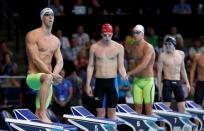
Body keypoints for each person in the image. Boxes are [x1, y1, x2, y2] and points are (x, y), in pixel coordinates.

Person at [25, 7, 63, 123]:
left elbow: (60, 61)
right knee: (48, 78)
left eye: (52, 14)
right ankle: (42, 113)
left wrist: (55, 75)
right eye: (47, 14)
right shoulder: (32, 35)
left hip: (48, 80)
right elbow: (35, 59)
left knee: (40, 115)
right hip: (34, 78)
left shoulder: (56, 40)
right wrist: (52, 75)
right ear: (42, 18)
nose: (50, 16)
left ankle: (40, 116)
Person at [85, 23, 128, 119]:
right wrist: (87, 84)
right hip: (98, 83)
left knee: (111, 112)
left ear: (112, 34)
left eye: (109, 35)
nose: (107, 37)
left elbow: (121, 66)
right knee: (100, 111)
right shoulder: (94, 47)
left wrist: (124, 75)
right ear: (101, 34)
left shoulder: (119, 47)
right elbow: (90, 66)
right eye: (105, 35)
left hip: (112, 83)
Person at [127, 24, 155, 115]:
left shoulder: (148, 47)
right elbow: (128, 53)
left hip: (147, 81)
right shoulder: (134, 46)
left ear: (142, 34)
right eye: (134, 33)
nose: (135, 34)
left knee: (148, 108)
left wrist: (129, 73)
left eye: (137, 33)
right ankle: (139, 129)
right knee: (137, 108)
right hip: (136, 81)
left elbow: (143, 65)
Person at [157, 36, 190, 113]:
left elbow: (183, 69)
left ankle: (182, 124)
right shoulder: (162, 56)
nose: (167, 46)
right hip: (167, 82)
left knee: (182, 107)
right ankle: (164, 125)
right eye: (166, 44)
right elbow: (159, 73)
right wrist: (159, 89)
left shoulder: (181, 54)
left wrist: (187, 82)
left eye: (169, 44)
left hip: (178, 82)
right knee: (165, 108)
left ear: (174, 44)